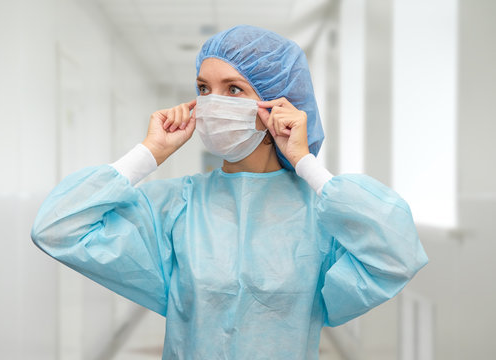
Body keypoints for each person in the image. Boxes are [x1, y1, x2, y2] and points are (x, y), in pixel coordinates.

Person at [32, 25, 428, 359]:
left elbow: (396, 254)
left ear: (279, 103)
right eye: (203, 88)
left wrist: (306, 163)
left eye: (234, 89)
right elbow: (57, 228)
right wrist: (149, 154)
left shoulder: (322, 211)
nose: (211, 103)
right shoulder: (173, 204)